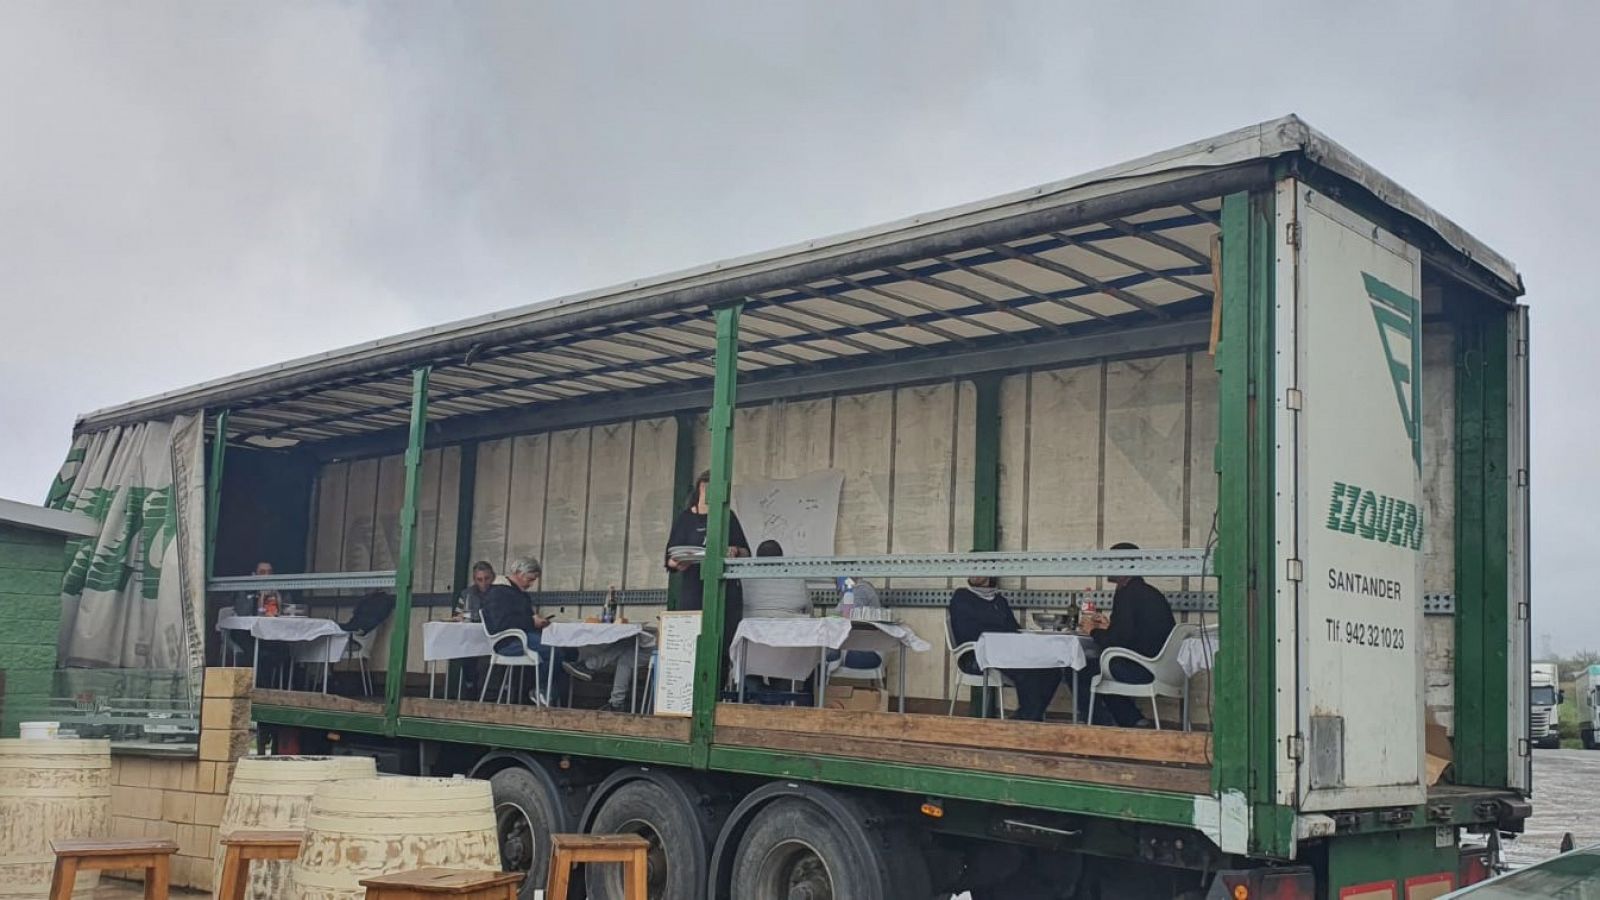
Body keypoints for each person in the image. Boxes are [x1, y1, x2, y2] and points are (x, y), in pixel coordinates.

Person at [1077, 542, 1178, 727]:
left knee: (1080, 668)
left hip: (1141, 669)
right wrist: (1108, 627)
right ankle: (1132, 719)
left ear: (1125, 565)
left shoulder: (1128, 594)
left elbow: (1116, 642)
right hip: (1165, 668)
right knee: (1098, 668)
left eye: (1111, 562)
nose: (1107, 567)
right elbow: (1134, 632)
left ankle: (1100, 724)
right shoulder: (1148, 592)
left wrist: (1092, 630)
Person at [665, 470, 751, 670]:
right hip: (694, 592)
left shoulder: (728, 517)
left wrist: (735, 550)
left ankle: (719, 693)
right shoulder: (685, 518)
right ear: (702, 487)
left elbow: (747, 552)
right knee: (691, 647)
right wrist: (678, 562)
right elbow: (669, 557)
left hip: (725, 593)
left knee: (722, 648)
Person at [948, 576, 1060, 721]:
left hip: (1006, 652)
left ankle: (1027, 716)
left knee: (1052, 669)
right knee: (1027, 671)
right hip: (976, 656)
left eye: (979, 568)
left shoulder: (999, 601)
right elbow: (968, 632)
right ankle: (1028, 718)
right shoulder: (961, 597)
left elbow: (1013, 630)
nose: (973, 573)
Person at [481, 556, 559, 704]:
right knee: (552, 649)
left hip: (519, 637)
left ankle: (545, 691)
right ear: (518, 573)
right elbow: (501, 623)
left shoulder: (516, 593)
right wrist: (531, 621)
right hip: (508, 642)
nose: (531, 584)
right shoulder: (498, 592)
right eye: (529, 579)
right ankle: (543, 690)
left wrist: (535, 620)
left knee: (559, 648)